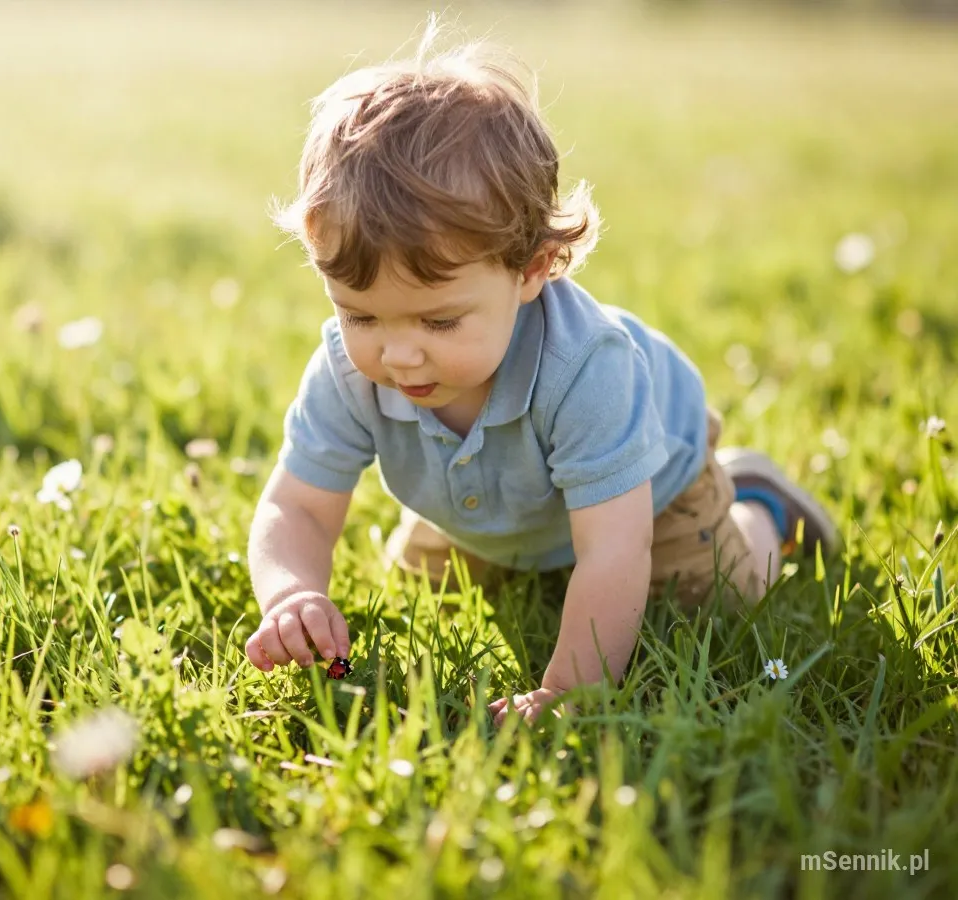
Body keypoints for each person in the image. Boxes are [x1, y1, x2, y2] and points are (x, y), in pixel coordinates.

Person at [243, 23, 837, 725]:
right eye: (361, 315)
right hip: (493, 507)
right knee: (434, 591)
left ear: (532, 270)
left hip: (650, 495)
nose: (397, 356)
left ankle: (760, 505)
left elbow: (615, 549)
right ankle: (512, 542)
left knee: (715, 600)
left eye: (439, 322)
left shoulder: (585, 370)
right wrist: (291, 594)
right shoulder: (348, 371)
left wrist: (569, 690)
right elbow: (298, 508)